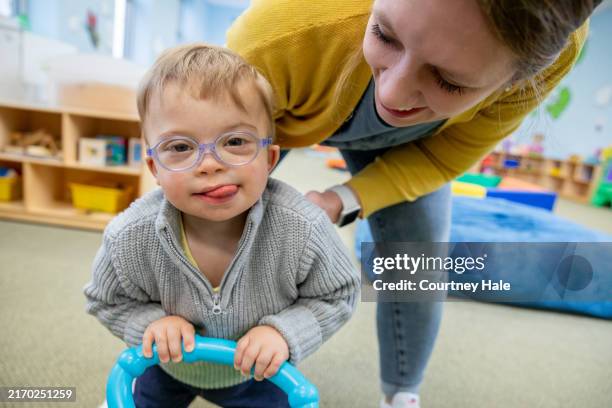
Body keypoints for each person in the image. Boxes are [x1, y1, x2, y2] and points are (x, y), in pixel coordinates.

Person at [226, 1, 600, 406]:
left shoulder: (550, 53)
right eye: (384, 35)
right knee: (215, 227)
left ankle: (402, 394)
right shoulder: (276, 36)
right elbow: (202, 159)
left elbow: (443, 158)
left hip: (421, 143)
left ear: (514, 80)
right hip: (277, 114)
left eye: (449, 80)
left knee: (420, 265)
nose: (393, 94)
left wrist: (341, 201)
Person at [83, 43, 360, 408]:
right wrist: (150, 325)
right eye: (180, 147)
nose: (210, 164)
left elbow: (338, 292)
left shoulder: (302, 228)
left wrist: (284, 333)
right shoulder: (129, 235)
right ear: (154, 168)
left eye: (234, 142)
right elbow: (106, 299)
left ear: (269, 158)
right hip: (166, 366)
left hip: (256, 370)